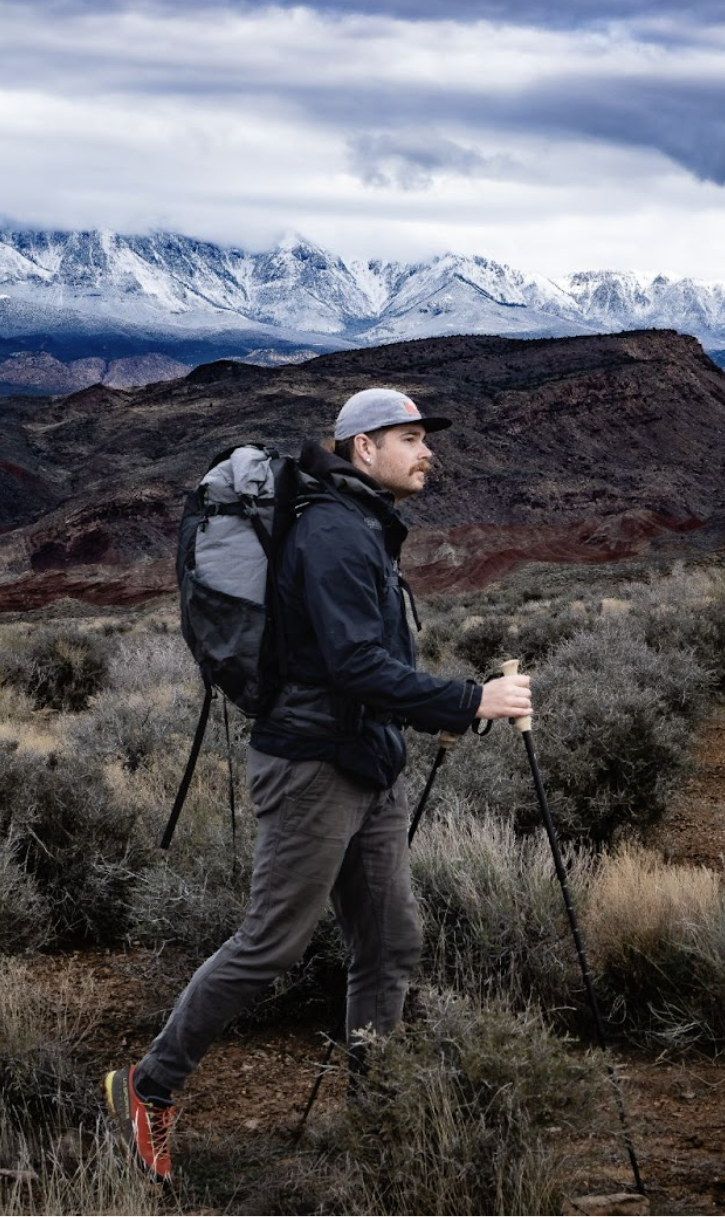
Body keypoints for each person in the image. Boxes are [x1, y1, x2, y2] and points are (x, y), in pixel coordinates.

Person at [104, 387, 533, 1184]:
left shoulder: (362, 521)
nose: (427, 452)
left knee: (390, 943)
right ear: (364, 447)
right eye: (410, 438)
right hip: (311, 766)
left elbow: (369, 665)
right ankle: (148, 1087)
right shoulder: (335, 529)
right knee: (272, 943)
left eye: (425, 438)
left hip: (366, 760)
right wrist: (471, 701)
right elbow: (355, 665)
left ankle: (375, 1121)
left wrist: (435, 708)